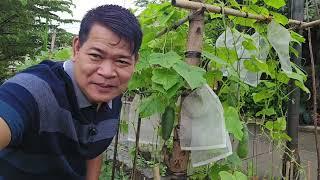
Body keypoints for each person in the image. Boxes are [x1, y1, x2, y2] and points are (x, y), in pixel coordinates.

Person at [0, 4, 142, 180]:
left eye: (121, 61)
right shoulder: (36, 89)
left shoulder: (111, 95)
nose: (107, 72)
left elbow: (93, 146)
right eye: (96, 56)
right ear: (77, 49)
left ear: (135, 61)